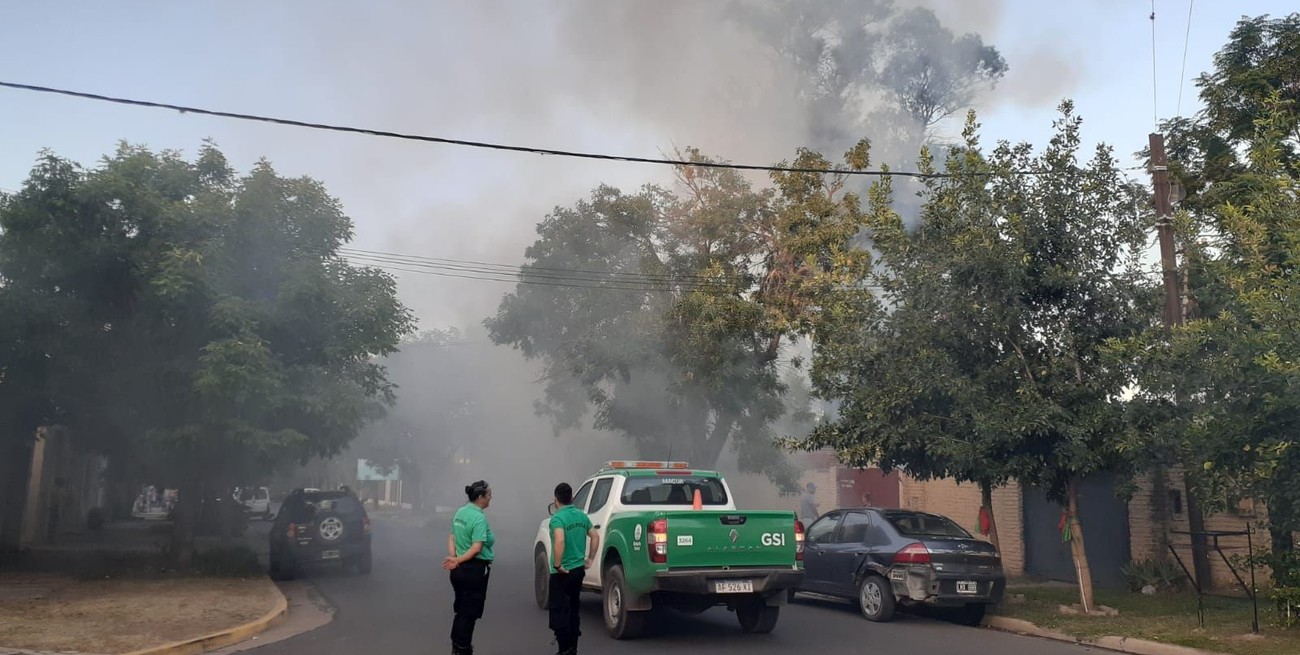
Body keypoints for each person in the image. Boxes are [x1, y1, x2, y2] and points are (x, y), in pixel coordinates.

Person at [443, 480, 494, 655]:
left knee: (461, 610)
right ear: (480, 497)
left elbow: (452, 536)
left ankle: (456, 646)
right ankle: (463, 649)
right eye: (489, 495)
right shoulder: (478, 517)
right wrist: (458, 560)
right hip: (473, 570)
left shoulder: (461, 512)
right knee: (469, 613)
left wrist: (454, 557)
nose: (490, 498)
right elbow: (477, 547)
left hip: (458, 571)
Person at [548, 482, 598, 655]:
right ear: (571, 498)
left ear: (556, 500)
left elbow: (560, 540)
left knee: (559, 610)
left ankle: (563, 649)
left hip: (561, 572)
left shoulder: (557, 518)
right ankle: (573, 648)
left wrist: (558, 564)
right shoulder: (581, 516)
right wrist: (590, 558)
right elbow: (595, 535)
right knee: (573, 608)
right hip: (578, 570)